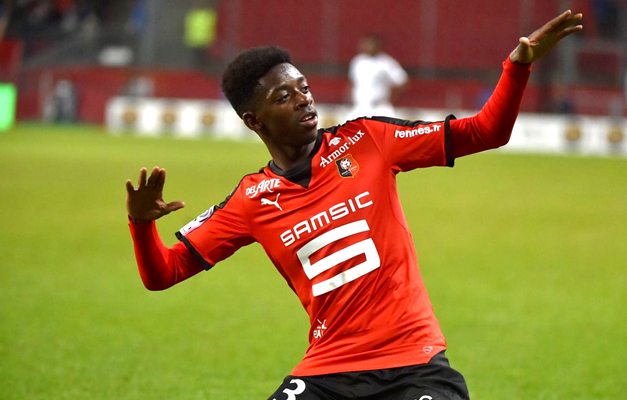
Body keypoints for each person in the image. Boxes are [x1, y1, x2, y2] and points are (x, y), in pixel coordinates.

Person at [125, 10, 583, 399]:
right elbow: (163, 273)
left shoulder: (367, 140)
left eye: (303, 87)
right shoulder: (251, 200)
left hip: (414, 363)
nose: (303, 100)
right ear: (253, 120)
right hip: (327, 372)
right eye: (283, 96)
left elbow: (485, 132)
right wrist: (141, 224)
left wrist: (518, 66)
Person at [347, 35, 409, 120]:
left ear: (378, 46)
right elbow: (353, 82)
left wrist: (392, 98)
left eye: (370, 44)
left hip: (380, 107)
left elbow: (402, 81)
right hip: (360, 106)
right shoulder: (358, 61)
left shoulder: (386, 62)